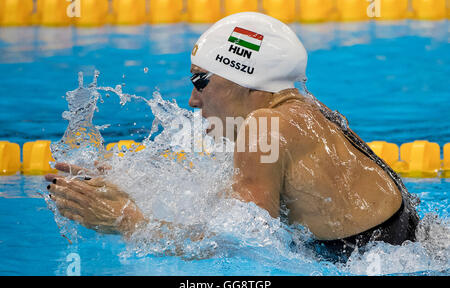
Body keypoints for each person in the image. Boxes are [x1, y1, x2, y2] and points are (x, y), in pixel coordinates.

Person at [46, 12, 419, 261]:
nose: (192, 100)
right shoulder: (306, 111)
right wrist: (132, 180)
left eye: (200, 81)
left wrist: (125, 219)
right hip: (415, 246)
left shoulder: (263, 127)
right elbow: (237, 201)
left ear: (246, 80)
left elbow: (240, 246)